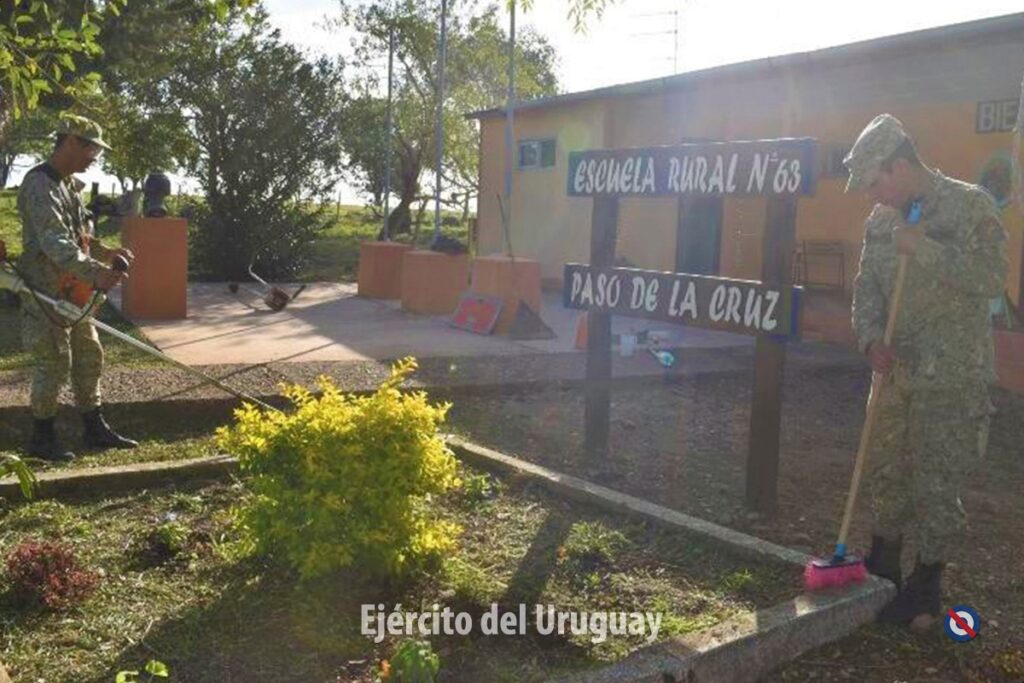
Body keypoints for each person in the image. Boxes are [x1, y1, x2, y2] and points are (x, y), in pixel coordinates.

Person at [845, 114, 1008, 624]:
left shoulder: (971, 205)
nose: (872, 196)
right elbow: (866, 289)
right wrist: (871, 338)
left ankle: (925, 584)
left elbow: (991, 278)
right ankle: (884, 565)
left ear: (899, 166)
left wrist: (927, 250)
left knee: (937, 480)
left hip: (950, 376)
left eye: (875, 182)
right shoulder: (880, 222)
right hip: (894, 374)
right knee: (886, 469)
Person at [17, 113, 139, 462]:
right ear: (71, 141)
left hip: (75, 290)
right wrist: (97, 272)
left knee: (89, 354)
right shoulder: (39, 184)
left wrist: (104, 251)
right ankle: (42, 438)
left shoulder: (68, 185)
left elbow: (78, 236)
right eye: (92, 150)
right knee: (53, 361)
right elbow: (55, 243)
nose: (95, 158)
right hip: (45, 294)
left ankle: (94, 427)